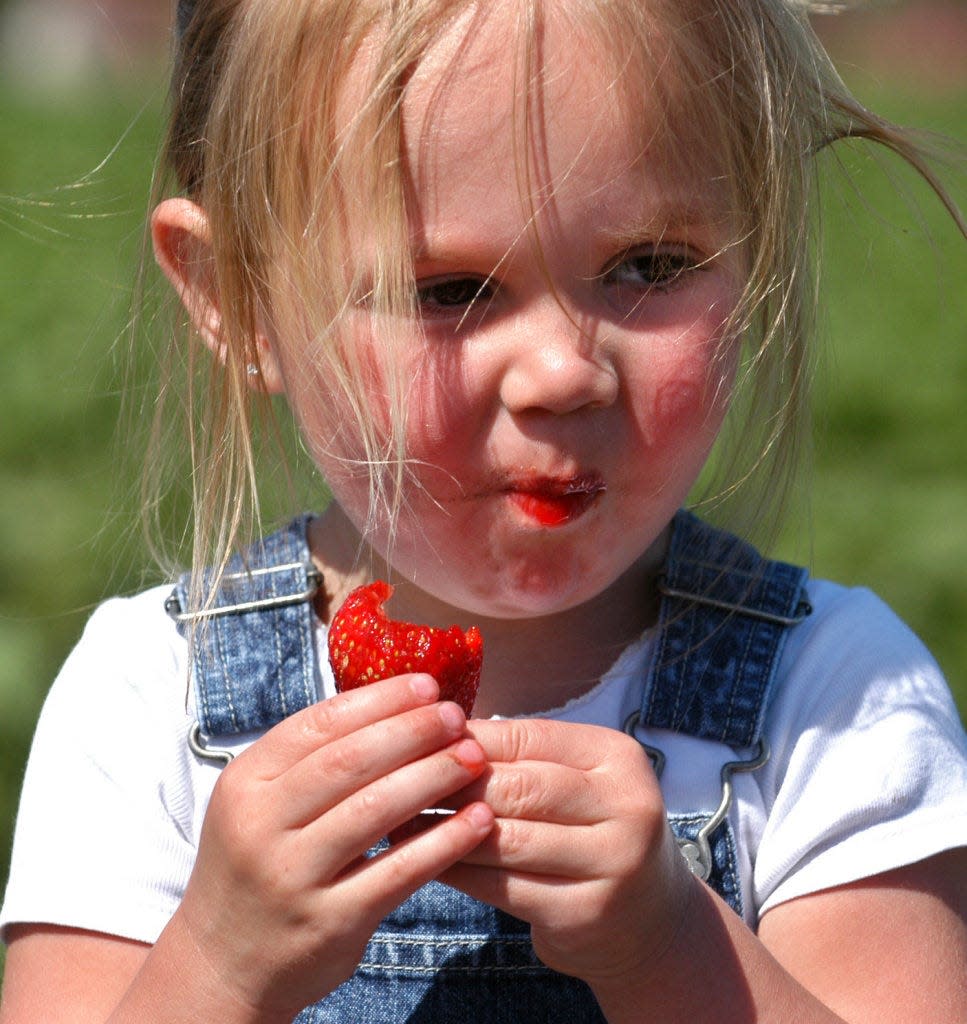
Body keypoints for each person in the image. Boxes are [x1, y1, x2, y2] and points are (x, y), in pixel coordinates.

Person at [1, 0, 966, 1021]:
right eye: (453, 289)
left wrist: (672, 947)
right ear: (237, 297)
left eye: (650, 266)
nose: (562, 373)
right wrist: (217, 963)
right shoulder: (150, 705)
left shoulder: (835, 701)